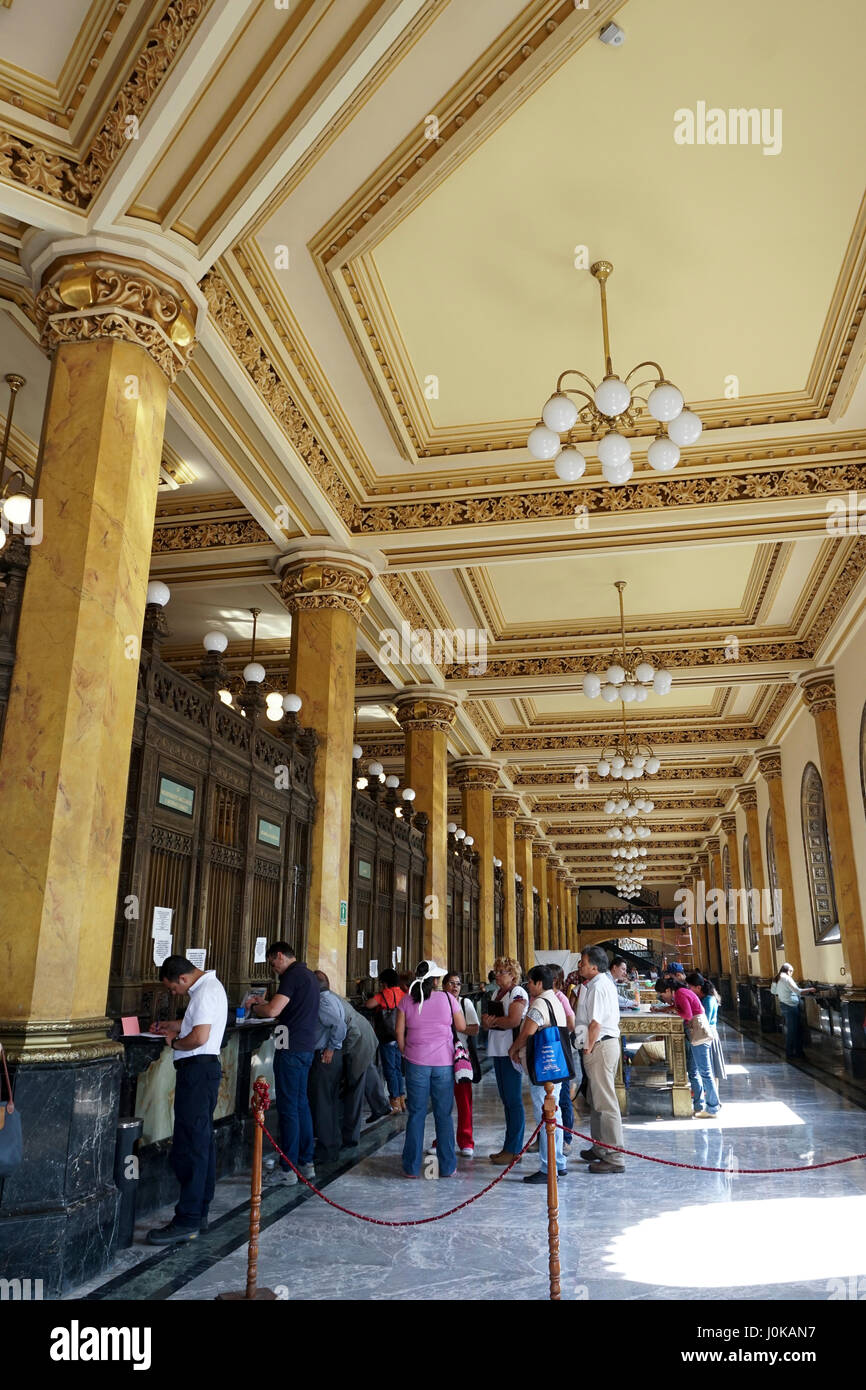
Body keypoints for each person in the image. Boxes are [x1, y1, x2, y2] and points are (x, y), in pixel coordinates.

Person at [147, 955, 228, 1244]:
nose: (173, 993)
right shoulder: (209, 988)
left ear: (183, 978)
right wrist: (173, 1024)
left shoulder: (204, 992)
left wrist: (174, 1042)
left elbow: (199, 1037)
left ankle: (188, 1218)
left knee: (191, 1146)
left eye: (172, 988)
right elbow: (196, 1022)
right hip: (203, 1073)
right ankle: (199, 1210)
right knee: (201, 1142)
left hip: (197, 1072)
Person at [246, 942, 319, 1186]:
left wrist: (256, 1006)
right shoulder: (308, 975)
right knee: (301, 1105)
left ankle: (287, 1169)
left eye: (272, 962)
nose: (273, 968)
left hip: (290, 1048)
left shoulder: (292, 974)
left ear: (279, 956)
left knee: (289, 1107)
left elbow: (273, 1010)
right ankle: (306, 1163)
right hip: (305, 1046)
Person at [395, 960, 465, 1178]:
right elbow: (461, 1027)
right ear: (436, 980)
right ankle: (447, 1166)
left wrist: (409, 1052)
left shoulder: (407, 1000)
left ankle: (412, 1167)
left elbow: (398, 1033)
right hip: (443, 1063)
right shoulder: (447, 998)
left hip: (416, 1063)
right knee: (443, 1114)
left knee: (416, 1114)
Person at [509, 964, 569, 1185]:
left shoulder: (540, 1003)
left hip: (543, 1068)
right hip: (556, 1066)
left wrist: (513, 1049)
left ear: (538, 983)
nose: (528, 985)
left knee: (546, 1116)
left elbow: (527, 1032)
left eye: (530, 982)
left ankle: (548, 1166)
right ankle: (558, 1162)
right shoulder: (557, 999)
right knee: (555, 1114)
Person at [319, 973, 387, 1147]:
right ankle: (380, 1105)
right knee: (366, 1069)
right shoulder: (330, 996)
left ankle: (351, 1137)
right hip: (366, 1035)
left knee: (354, 1087)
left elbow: (351, 1032)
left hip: (360, 1040)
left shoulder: (324, 1001)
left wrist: (343, 1055)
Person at [574, 947, 624, 1174]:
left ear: (594, 966)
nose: (579, 966)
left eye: (583, 962)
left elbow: (595, 1023)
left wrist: (588, 1048)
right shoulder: (595, 984)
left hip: (600, 1045)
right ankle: (600, 1147)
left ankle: (614, 1157)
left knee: (605, 1102)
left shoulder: (599, 986)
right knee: (595, 1099)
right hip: (599, 1044)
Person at [481, 956, 529, 1165]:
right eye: (497, 971)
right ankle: (508, 1147)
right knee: (506, 1100)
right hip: (498, 1049)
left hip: (510, 1050)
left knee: (513, 1100)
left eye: (502, 972)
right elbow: (491, 1022)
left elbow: (514, 1020)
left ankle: (514, 1148)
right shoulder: (496, 993)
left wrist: (493, 1021)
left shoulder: (517, 993)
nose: (497, 975)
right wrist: (487, 1022)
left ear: (513, 974)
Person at [655, 976, 720, 1117]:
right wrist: (667, 1009)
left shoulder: (680, 994)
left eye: (662, 994)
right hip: (698, 1032)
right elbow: (683, 1007)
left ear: (668, 990)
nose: (662, 997)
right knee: (697, 1071)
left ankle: (713, 1108)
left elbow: (687, 1014)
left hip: (699, 1032)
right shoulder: (681, 992)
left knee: (705, 1072)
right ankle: (700, 1106)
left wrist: (673, 1010)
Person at [307, 974, 348, 1163]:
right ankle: (332, 1143)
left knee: (322, 1102)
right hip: (330, 1055)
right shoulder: (332, 998)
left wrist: (331, 1047)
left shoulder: (323, 1001)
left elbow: (339, 1025)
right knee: (329, 1101)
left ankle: (326, 1148)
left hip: (325, 1056)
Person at [443, 970, 480, 1156]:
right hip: (441, 1058)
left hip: (461, 1057)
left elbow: (475, 1029)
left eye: (457, 983)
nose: (455, 987)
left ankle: (466, 1140)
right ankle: (440, 1139)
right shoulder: (439, 1003)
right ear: (443, 986)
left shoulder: (465, 1003)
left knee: (464, 1100)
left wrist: (461, 1027)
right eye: (451, 983)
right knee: (442, 1102)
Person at [365, 967, 407, 1112]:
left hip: (387, 1037)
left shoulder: (383, 994)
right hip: (400, 1036)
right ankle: (402, 1098)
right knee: (397, 1068)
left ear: (384, 982)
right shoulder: (403, 993)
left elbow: (369, 1004)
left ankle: (394, 1100)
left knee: (389, 1069)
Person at [552, 968, 576, 1153]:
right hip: (544, 1052)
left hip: (559, 1050)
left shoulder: (560, 997)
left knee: (563, 1097)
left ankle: (566, 1138)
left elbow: (571, 1023)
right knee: (545, 1098)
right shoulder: (539, 997)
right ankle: (544, 1136)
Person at [686, 971, 726, 1082]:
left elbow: (704, 1021)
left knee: (710, 1068)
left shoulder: (708, 1000)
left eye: (690, 987)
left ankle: (712, 1094)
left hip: (707, 1034)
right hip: (705, 1033)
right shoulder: (704, 998)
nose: (689, 990)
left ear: (698, 987)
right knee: (708, 1067)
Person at [771, 963, 816, 1059]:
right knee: (793, 1031)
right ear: (788, 971)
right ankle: (790, 1053)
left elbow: (773, 992)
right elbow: (798, 991)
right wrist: (811, 989)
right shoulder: (787, 978)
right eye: (791, 972)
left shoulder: (776, 978)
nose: (791, 974)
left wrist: (782, 993)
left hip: (783, 1005)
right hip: (791, 1007)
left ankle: (797, 1052)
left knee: (794, 1030)